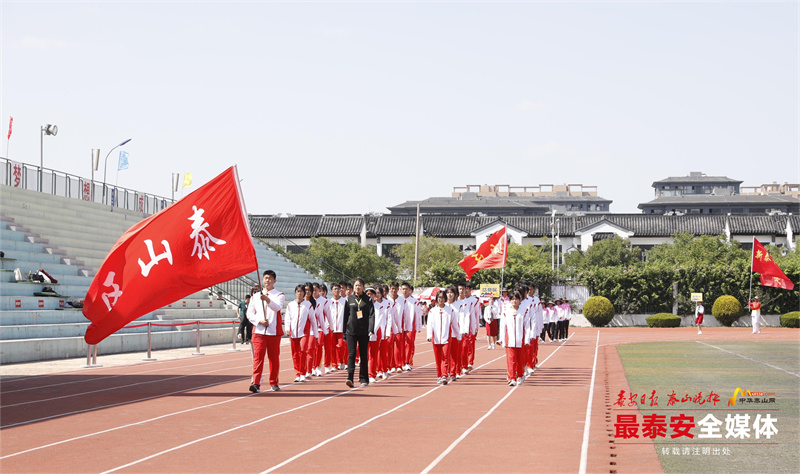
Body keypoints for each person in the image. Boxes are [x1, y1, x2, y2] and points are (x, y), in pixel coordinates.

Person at [247, 270, 286, 393]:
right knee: (258, 358)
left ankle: (274, 382)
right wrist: (259, 321)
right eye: (265, 278)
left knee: (273, 358)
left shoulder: (279, 295)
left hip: (273, 332)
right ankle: (256, 383)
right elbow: (249, 313)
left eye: (270, 278)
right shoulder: (255, 296)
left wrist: (267, 300)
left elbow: (277, 307)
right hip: (259, 331)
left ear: (274, 281)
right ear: (262, 280)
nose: (267, 280)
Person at [342, 277, 375, 387]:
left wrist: (371, 329)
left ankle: (364, 379)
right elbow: (345, 316)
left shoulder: (368, 300)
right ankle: (350, 378)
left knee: (363, 355)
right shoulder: (349, 299)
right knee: (351, 355)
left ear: (363, 287)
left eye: (360, 285)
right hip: (351, 331)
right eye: (356, 285)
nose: (358, 287)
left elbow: (371, 315)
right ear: (353, 287)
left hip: (364, 331)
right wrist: (344, 332)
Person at [285, 284, 316, 382]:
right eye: (298, 291)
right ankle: (297, 373)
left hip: (304, 333)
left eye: (301, 291)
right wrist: (287, 328)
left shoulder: (308, 305)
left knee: (303, 351)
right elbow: (287, 318)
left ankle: (303, 373)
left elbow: (313, 319)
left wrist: (316, 334)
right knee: (295, 354)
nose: (300, 293)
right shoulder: (290, 305)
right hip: (293, 333)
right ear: (295, 293)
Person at [427, 290, 457, 384]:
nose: (441, 299)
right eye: (439, 297)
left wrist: (458, 336)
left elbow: (454, 324)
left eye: (442, 297)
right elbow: (429, 324)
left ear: (445, 299)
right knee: (438, 358)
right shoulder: (432, 311)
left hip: (446, 338)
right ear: (436, 299)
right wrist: (428, 335)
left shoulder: (450, 310)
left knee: (445, 357)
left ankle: (444, 375)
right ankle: (439, 375)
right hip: (435, 338)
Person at [498, 291, 526, 386]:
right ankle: (512, 377)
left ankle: (520, 374)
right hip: (509, 339)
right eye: (512, 299)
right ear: (510, 301)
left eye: (516, 299)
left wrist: (527, 339)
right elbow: (503, 326)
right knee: (511, 359)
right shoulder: (506, 312)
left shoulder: (523, 311)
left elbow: (526, 326)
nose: (514, 301)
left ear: (519, 300)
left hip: (520, 339)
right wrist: (501, 339)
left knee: (520, 359)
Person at [367, 286, 388, 383]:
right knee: (364, 355)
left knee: (373, 355)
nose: (369, 296)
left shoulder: (380, 307)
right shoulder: (362, 306)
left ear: (375, 296)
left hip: (375, 332)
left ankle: (372, 374)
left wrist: (372, 331)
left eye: (371, 294)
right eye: (367, 294)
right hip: (364, 333)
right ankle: (363, 374)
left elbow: (379, 321)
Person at [400, 281, 422, 370]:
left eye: (406, 289)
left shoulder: (414, 302)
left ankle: (407, 362)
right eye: (403, 289)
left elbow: (418, 314)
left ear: (409, 290)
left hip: (411, 324)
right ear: (400, 290)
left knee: (409, 343)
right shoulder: (398, 300)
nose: (405, 291)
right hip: (400, 324)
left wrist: (418, 326)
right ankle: (399, 362)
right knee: (400, 344)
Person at [445, 286, 463, 380]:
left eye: (451, 292)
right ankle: (446, 372)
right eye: (448, 292)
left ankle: (453, 373)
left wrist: (462, 331)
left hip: (455, 333)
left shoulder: (459, 305)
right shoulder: (442, 305)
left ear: (455, 294)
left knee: (455, 354)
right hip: (444, 334)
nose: (449, 294)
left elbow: (462, 318)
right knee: (445, 355)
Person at [329, 283, 347, 371]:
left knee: (341, 346)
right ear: (331, 291)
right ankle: (334, 364)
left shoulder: (345, 301)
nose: (336, 291)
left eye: (338, 289)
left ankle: (341, 361)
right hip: (331, 328)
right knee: (332, 347)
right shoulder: (328, 302)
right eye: (334, 289)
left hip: (341, 328)